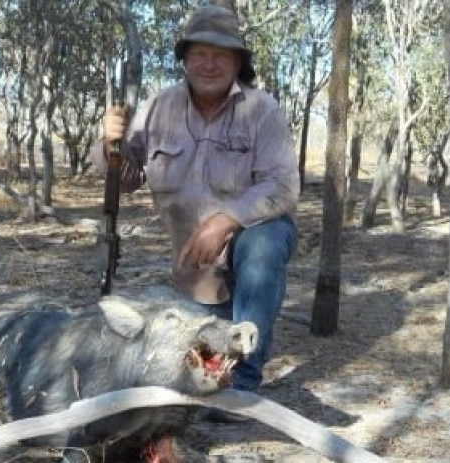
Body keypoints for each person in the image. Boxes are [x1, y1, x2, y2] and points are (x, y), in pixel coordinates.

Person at [91, 4, 299, 421]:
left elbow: (283, 187)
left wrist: (223, 222)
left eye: (222, 54)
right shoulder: (158, 108)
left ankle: (242, 385)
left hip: (246, 251)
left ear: (239, 62)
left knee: (266, 240)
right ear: (184, 58)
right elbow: (125, 177)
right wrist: (107, 144)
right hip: (194, 274)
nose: (209, 63)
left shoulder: (262, 110)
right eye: (199, 53)